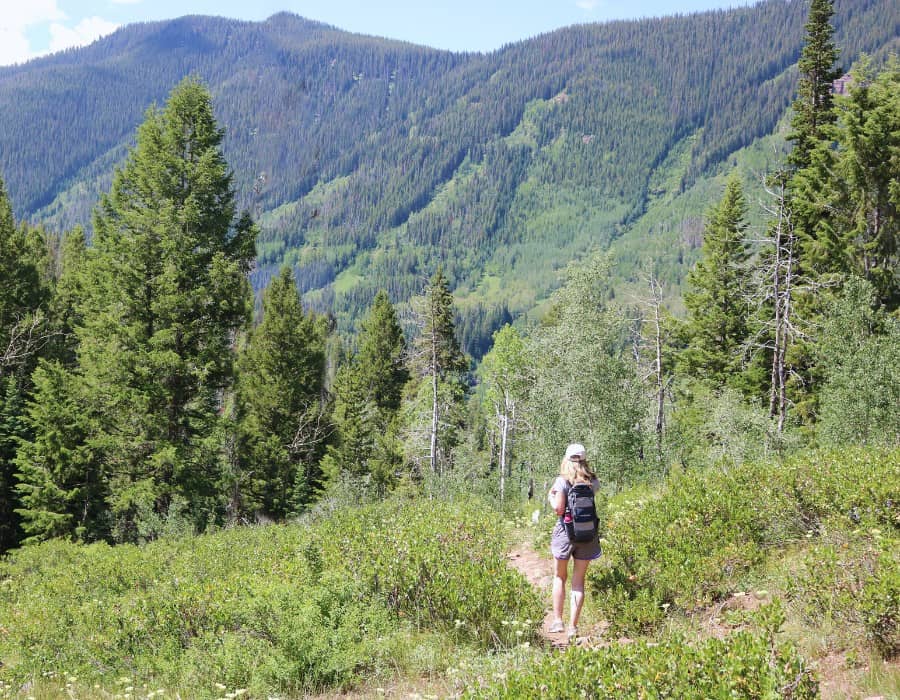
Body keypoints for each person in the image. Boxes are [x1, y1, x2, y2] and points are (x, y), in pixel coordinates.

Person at [547, 442, 601, 641]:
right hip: (588, 534)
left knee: (560, 577)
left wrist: (551, 498)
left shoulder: (562, 481)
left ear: (567, 459)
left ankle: (558, 621)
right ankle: (573, 627)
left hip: (565, 532)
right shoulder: (592, 482)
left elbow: (559, 509)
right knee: (578, 582)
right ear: (584, 459)